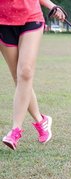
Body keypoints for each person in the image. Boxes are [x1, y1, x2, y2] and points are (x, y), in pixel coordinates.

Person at [0, 0, 65, 150]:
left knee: (25, 72)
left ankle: (15, 130)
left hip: (31, 17)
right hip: (3, 21)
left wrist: (51, 6)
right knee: (19, 79)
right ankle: (41, 120)